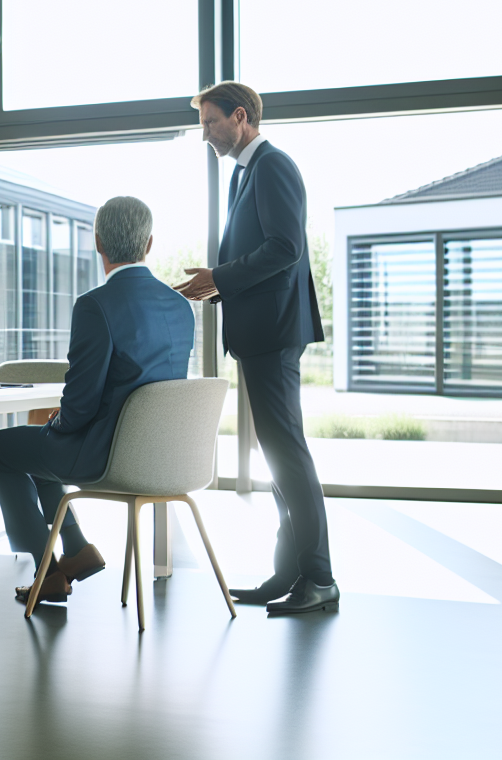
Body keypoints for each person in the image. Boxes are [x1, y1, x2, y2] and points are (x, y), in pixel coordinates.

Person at [174, 81, 337, 615]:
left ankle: (320, 578)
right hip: (260, 334)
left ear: (239, 117)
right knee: (278, 456)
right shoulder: (245, 173)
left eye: (209, 124)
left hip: (273, 333)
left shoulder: (272, 165)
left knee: (288, 454)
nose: (205, 136)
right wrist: (219, 281)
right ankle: (289, 573)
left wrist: (219, 277)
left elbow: (286, 249)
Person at [0, 196, 195, 604]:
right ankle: (76, 548)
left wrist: (56, 425)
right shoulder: (180, 305)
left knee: (1, 447)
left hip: (109, 457)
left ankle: (45, 569)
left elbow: (79, 406)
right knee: (39, 449)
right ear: (149, 244)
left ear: (97, 242)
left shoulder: (95, 305)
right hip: (168, 456)